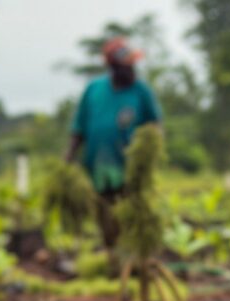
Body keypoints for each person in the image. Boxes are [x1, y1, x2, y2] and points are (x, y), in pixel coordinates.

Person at [65, 37, 162, 250]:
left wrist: (149, 156)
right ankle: (112, 258)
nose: (132, 71)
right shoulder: (94, 90)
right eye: (127, 66)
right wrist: (68, 159)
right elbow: (78, 128)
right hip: (96, 168)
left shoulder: (141, 91)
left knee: (127, 217)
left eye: (133, 66)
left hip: (129, 170)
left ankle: (128, 259)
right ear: (113, 68)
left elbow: (156, 126)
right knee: (104, 217)